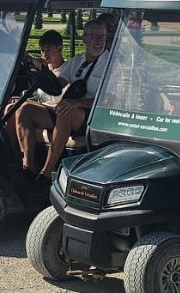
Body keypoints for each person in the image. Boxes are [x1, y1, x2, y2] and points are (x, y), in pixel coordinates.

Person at [14, 19, 110, 177]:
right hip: (69, 109)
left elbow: (108, 101)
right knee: (23, 109)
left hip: (92, 115)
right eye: (94, 36)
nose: (99, 41)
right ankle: (28, 168)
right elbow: (57, 85)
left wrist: (76, 103)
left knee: (66, 110)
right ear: (84, 38)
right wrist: (39, 73)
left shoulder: (111, 64)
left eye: (102, 37)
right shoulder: (76, 61)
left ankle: (46, 173)